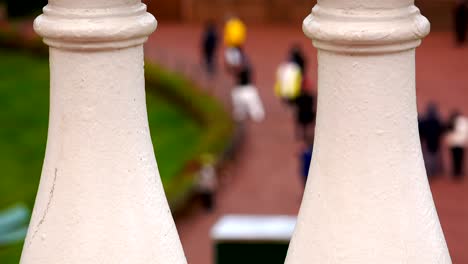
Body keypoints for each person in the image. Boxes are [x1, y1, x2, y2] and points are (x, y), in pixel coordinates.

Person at [228, 47, 265, 122]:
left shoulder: (244, 62)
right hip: (241, 89)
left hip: (247, 88)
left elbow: (240, 70)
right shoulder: (243, 61)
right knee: (239, 113)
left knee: (256, 113)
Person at [419, 103, 444, 177]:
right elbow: (441, 129)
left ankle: (430, 172)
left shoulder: (425, 121)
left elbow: (421, 129)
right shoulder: (437, 121)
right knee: (433, 157)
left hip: (428, 142)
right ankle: (433, 171)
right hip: (434, 142)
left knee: (429, 157)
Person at [446, 111, 468, 179]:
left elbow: (449, 133)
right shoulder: (464, 121)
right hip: (460, 143)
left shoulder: (452, 121)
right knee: (460, 158)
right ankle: (459, 172)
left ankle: (456, 172)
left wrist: (449, 141)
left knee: (455, 158)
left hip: (454, 144)